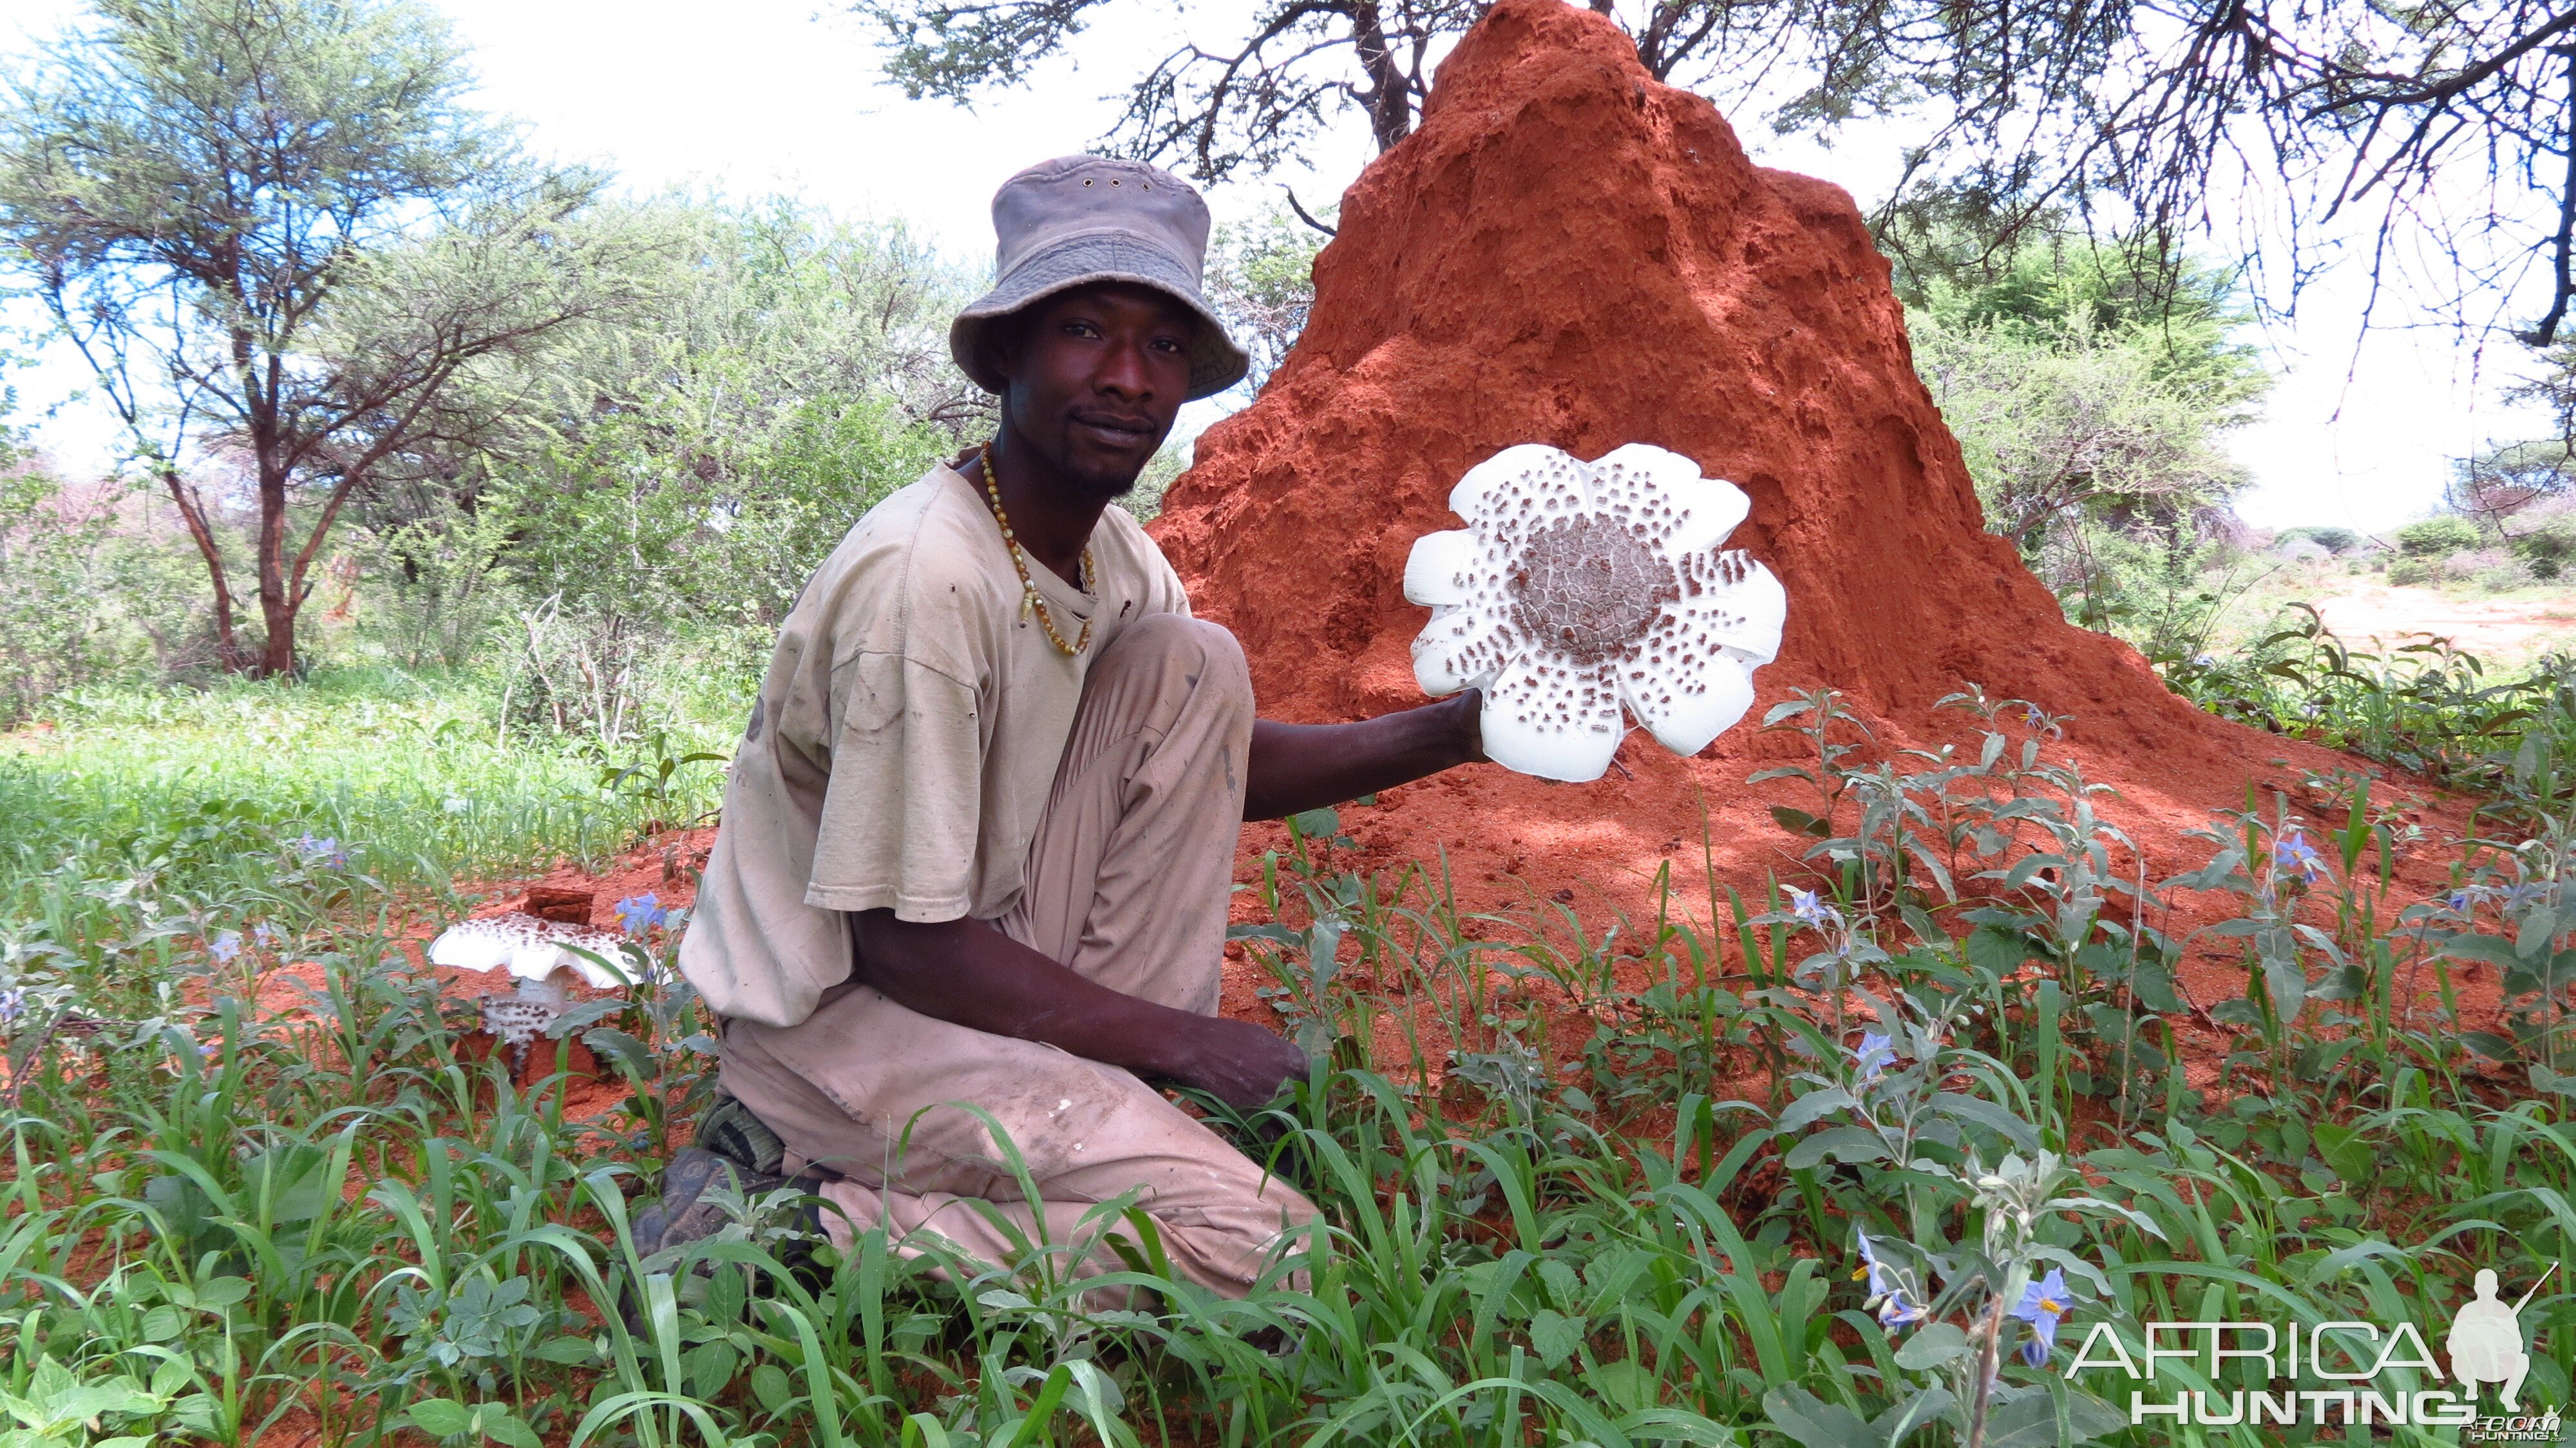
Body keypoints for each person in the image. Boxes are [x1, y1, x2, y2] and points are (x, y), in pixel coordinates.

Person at [634, 155, 1486, 1300]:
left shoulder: (1112, 552)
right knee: (1272, 1252)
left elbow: (1220, 762)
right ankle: (794, 1222)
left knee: (1197, 665)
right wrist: (1182, 1043)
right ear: (1005, 354)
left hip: (981, 956)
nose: (1130, 377)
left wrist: (1459, 731)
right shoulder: (922, 585)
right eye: (1086, 329)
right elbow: (902, 940)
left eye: (1166, 346)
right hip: (846, 1017)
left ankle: (1032, 1132)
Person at [2448, 1268, 2532, 1410]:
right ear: (2476, 1288)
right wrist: (2476, 1334)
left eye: (2490, 1286)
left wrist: (2501, 1337)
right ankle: (2471, 1388)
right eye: (2482, 1286)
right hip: (2471, 1364)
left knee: (2523, 1361)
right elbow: (2453, 1343)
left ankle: (2508, 1397)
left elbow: (2518, 1343)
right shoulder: (2467, 1310)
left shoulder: (2505, 1311)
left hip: (2499, 1364)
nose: (2486, 1290)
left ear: (2496, 1288)